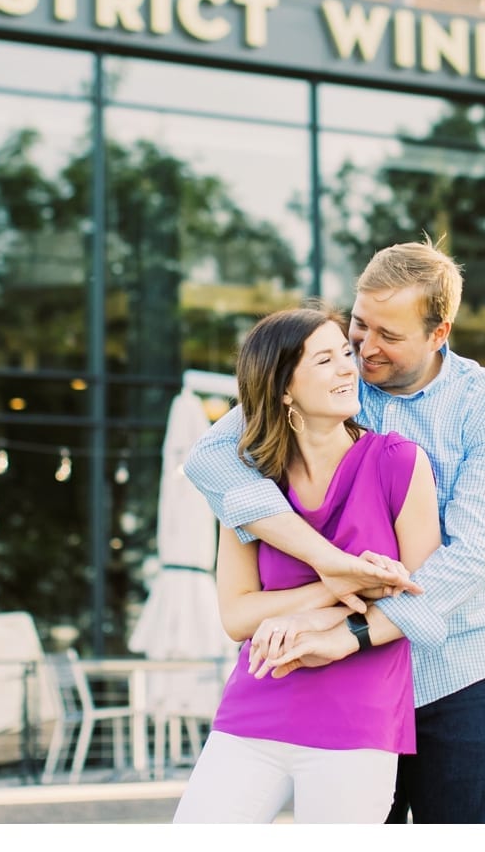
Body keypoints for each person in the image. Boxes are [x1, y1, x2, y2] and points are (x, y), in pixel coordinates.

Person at [185, 239, 485, 823]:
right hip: (355, 685)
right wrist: (327, 561)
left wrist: (355, 633)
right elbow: (209, 459)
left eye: (388, 336)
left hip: (454, 668)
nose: (364, 350)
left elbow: (471, 556)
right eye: (359, 327)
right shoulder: (330, 375)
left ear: (439, 333)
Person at [172, 306, 440, 824]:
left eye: (345, 353)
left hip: (357, 716)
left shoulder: (399, 462)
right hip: (256, 703)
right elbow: (236, 616)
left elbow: (416, 595)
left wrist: (308, 617)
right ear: (283, 389)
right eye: (325, 360)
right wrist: (336, 579)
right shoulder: (250, 484)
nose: (348, 368)